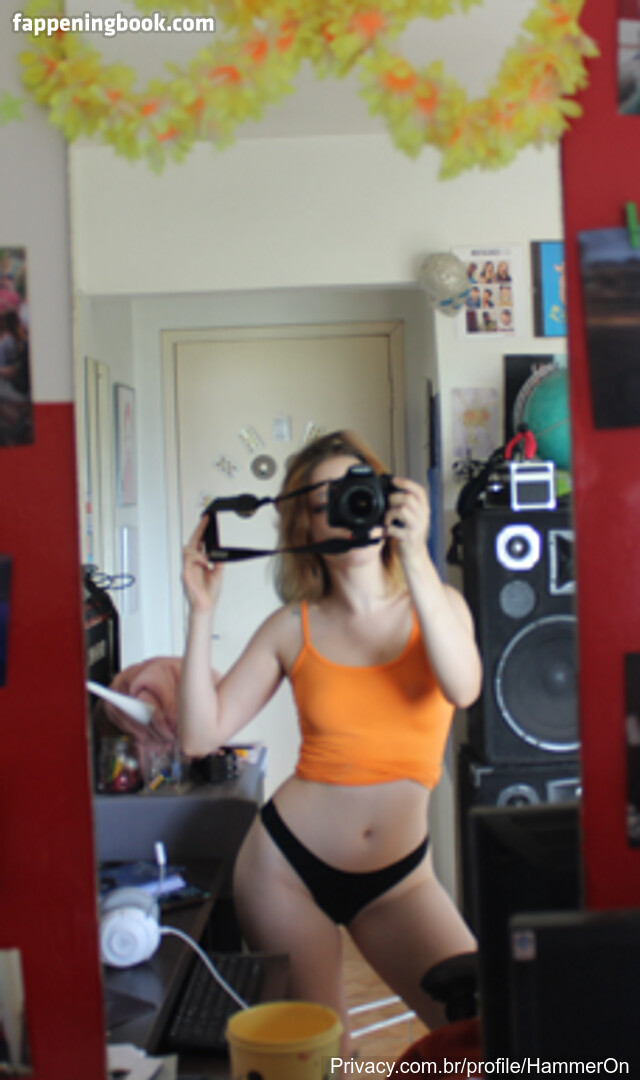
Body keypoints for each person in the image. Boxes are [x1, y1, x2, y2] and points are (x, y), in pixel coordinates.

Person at [178, 430, 483, 1055]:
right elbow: (198, 736)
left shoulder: (439, 603)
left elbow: (464, 687)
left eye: (358, 491)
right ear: (305, 529)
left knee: (490, 1035)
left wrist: (418, 558)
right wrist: (201, 612)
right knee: (324, 1063)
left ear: (386, 496)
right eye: (325, 504)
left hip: (401, 880)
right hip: (284, 872)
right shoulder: (292, 626)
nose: (349, 512)